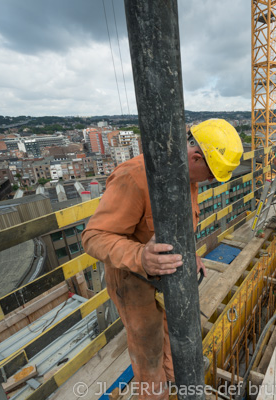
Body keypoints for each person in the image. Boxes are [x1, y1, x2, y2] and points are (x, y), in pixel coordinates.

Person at [82, 119, 243, 399]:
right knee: (150, 352)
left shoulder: (186, 176)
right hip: (134, 280)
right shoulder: (134, 176)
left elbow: (177, 226)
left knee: (174, 329)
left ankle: (176, 377)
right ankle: (154, 392)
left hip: (168, 274)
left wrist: (190, 254)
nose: (209, 182)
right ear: (195, 157)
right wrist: (140, 256)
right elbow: (93, 236)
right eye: (211, 175)